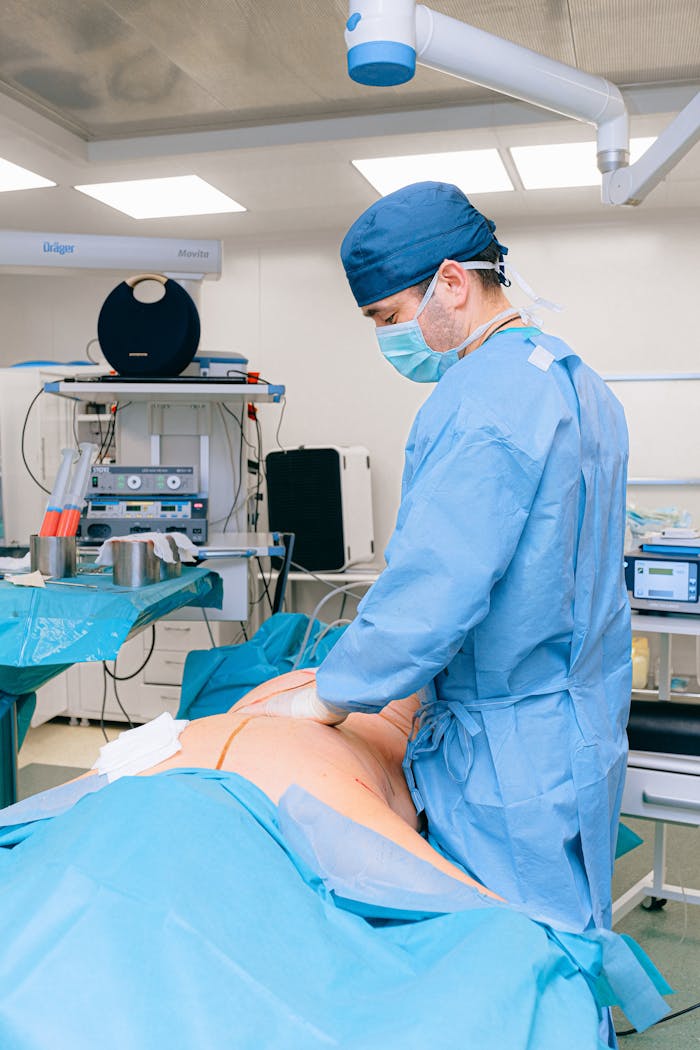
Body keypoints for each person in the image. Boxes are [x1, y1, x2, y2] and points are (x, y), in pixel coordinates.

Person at [245, 181, 632, 933]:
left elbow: (433, 591)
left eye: (390, 318)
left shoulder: (478, 404)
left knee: (516, 956)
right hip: (581, 724)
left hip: (508, 754)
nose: (389, 338)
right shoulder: (577, 381)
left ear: (453, 281)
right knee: (575, 930)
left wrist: (331, 695)